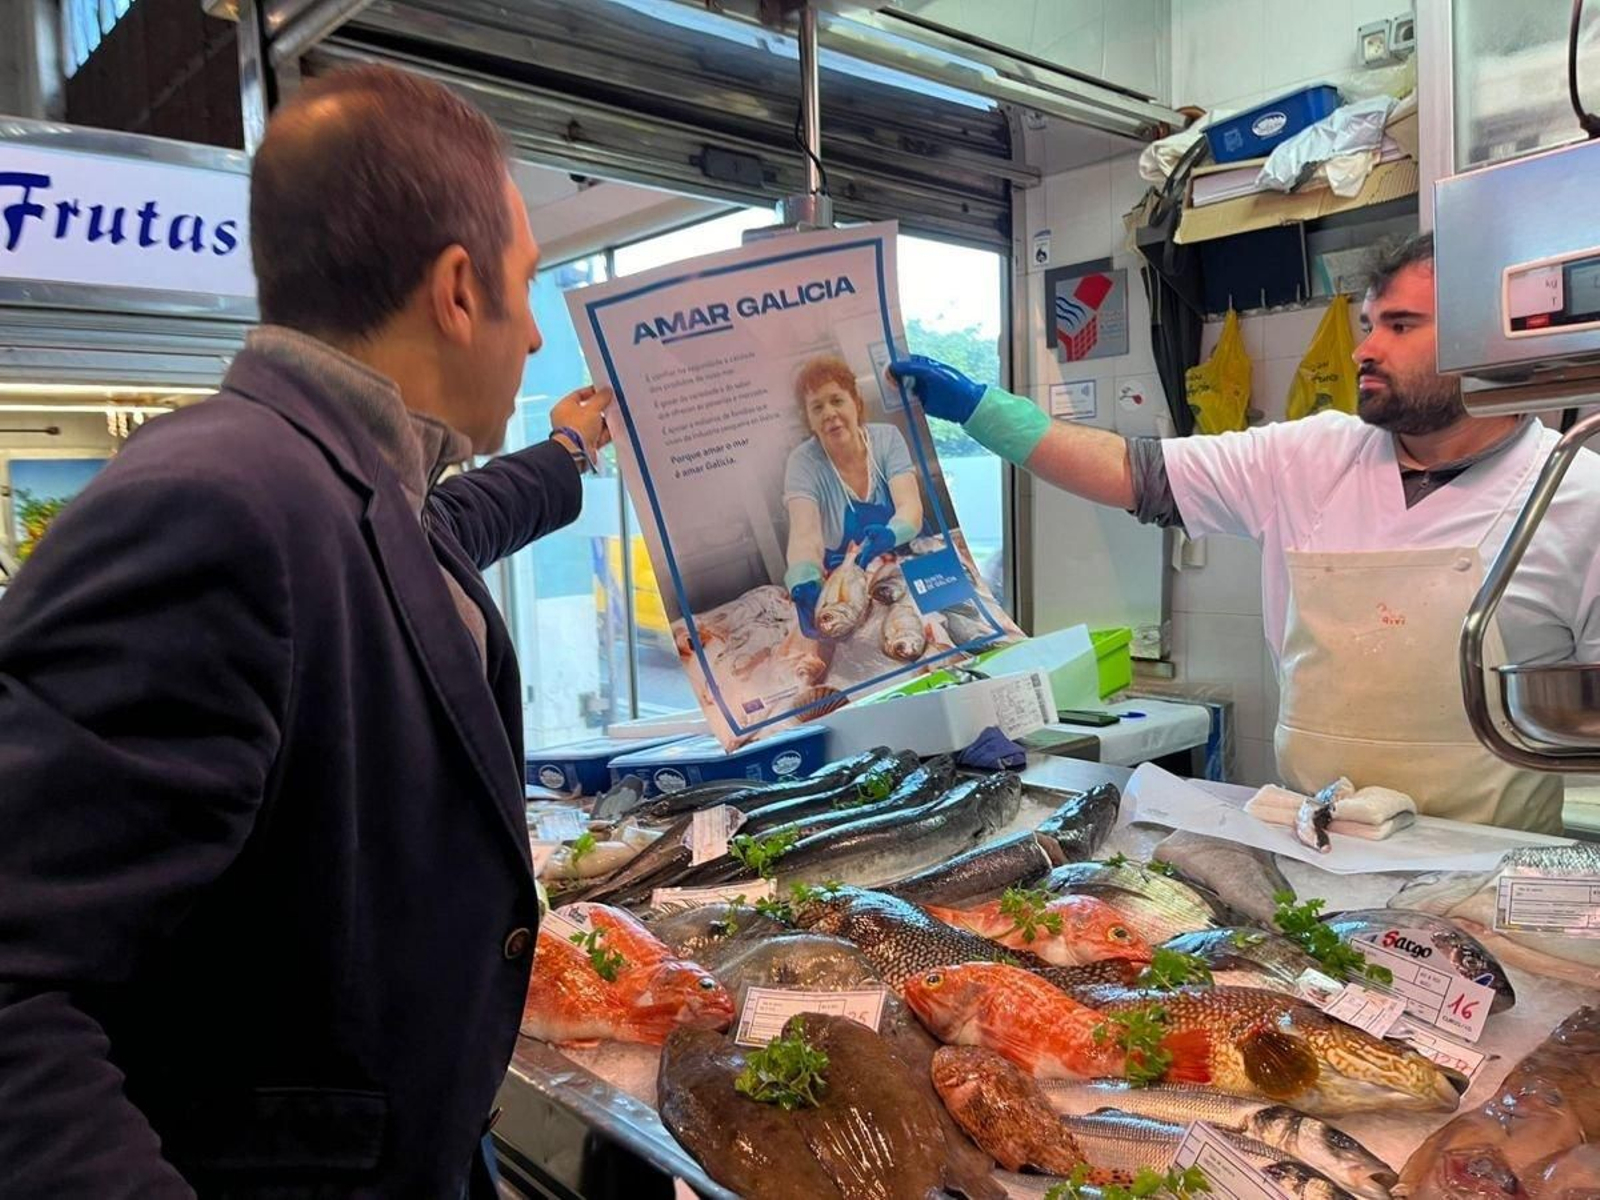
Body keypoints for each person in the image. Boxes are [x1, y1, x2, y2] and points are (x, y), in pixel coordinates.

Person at [0, 65, 612, 1196]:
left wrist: (569, 456)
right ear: (460, 289)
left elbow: (436, 537)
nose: (534, 339)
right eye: (528, 289)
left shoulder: (341, 482)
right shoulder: (211, 504)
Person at [891, 233, 1600, 833]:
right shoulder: (1308, 454)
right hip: (1317, 851)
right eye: (1369, 324)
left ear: (1489, 338)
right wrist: (982, 410)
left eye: (1401, 326)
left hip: (1485, 868)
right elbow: (1129, 472)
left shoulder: (1579, 493)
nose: (1364, 350)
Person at [783, 355, 923, 636]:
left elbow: (909, 506)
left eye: (836, 400)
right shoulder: (802, 462)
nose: (829, 414)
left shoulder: (887, 438)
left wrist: (890, 534)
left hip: (908, 560)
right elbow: (804, 534)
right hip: (848, 583)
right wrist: (804, 578)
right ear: (808, 420)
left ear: (855, 402)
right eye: (817, 407)